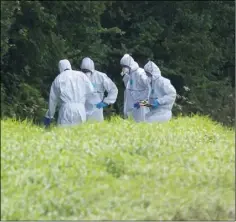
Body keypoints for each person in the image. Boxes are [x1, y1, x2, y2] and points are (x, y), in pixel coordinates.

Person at [44, 59, 95, 127]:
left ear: (60, 68)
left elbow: (53, 100)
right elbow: (91, 90)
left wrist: (50, 116)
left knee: (64, 135)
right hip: (80, 109)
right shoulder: (81, 75)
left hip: (66, 109)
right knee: (79, 134)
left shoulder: (58, 78)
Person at [80, 57, 118, 122]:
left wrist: (106, 102)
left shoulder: (100, 76)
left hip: (97, 109)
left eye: (87, 71)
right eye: (84, 71)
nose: (86, 73)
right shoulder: (78, 76)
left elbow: (113, 89)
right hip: (83, 108)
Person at [120, 54, 151, 122]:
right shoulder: (128, 75)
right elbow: (127, 92)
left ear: (129, 65)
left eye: (124, 66)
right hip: (131, 108)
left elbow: (149, 88)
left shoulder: (141, 73)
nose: (123, 68)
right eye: (122, 66)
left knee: (142, 124)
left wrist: (143, 103)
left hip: (141, 106)